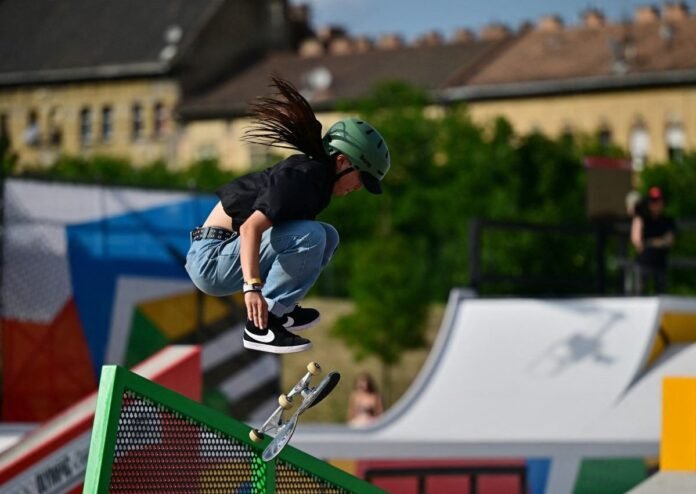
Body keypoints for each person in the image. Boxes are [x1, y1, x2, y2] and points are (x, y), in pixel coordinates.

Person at [185, 77, 391, 354]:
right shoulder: (303, 176)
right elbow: (250, 229)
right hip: (212, 258)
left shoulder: (317, 186)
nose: (359, 188)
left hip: (227, 255)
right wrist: (253, 289)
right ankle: (262, 324)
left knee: (328, 236)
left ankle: (280, 312)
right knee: (313, 235)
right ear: (342, 161)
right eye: (361, 179)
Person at [630, 186, 676, 294]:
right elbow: (637, 240)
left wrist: (649, 242)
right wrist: (659, 242)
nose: (655, 204)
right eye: (653, 201)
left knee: (662, 294)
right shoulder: (642, 219)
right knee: (638, 294)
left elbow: (670, 241)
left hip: (660, 264)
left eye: (658, 201)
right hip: (643, 263)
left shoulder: (667, 221)